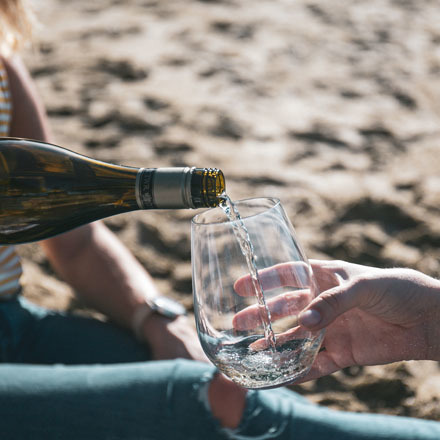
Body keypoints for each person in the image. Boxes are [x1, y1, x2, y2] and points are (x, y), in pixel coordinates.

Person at [1, 1, 440, 439]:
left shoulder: (5, 65)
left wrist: (159, 321)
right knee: (198, 400)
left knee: (238, 386)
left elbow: (75, 242)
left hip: (16, 322)